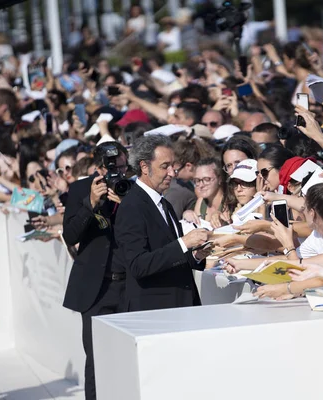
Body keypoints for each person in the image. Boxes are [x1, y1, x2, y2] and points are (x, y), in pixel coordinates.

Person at [62, 142, 131, 400]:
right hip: (96, 290)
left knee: (128, 358)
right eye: (112, 168)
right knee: (96, 360)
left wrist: (126, 205)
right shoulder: (80, 189)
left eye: (123, 167)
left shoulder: (133, 190)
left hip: (129, 288)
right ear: (98, 168)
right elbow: (70, 235)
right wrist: (90, 202)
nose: (118, 174)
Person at [115, 135, 211, 313]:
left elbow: (170, 254)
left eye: (173, 166)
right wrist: (184, 243)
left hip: (180, 306)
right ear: (144, 167)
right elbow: (138, 265)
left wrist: (196, 255)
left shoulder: (163, 203)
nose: (172, 173)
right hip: (154, 311)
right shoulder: (132, 206)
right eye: (164, 166)